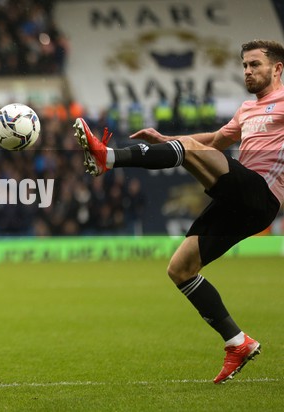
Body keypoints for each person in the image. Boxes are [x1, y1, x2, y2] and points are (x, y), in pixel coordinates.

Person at [73, 39, 284, 384]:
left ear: (277, 68)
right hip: (240, 202)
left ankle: (108, 158)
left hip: (261, 195)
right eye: (244, 65)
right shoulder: (247, 110)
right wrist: (169, 139)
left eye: (255, 65)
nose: (247, 71)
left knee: (187, 149)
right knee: (181, 269)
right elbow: (214, 141)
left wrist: (181, 146)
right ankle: (237, 341)